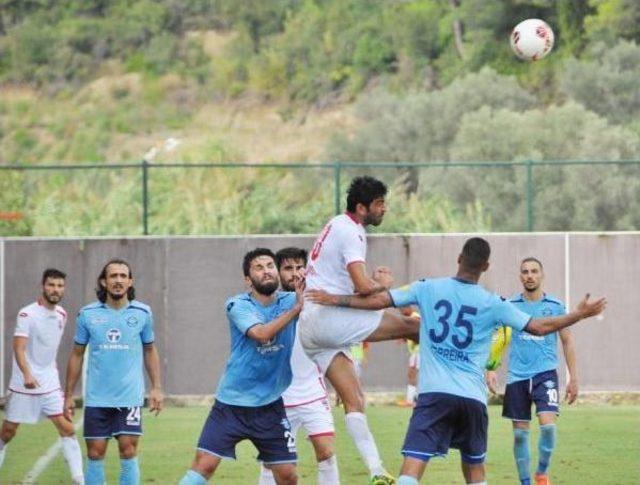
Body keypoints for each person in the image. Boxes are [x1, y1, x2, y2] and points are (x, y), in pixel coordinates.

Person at [307, 237, 606, 485]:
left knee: (412, 466)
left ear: (459, 258)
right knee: (475, 470)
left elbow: (378, 301)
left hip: (434, 396)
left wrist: (336, 300)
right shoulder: (493, 303)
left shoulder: (427, 287)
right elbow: (539, 327)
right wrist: (579, 314)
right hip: (472, 400)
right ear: (486, 267)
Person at [299, 176, 420, 485]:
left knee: (354, 400)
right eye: (380, 204)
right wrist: (383, 283)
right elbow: (363, 287)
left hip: (311, 328)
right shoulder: (352, 232)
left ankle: (377, 471)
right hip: (328, 319)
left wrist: (371, 284)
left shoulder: (336, 224)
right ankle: (439, 397)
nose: (384, 209)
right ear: (362, 207)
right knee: (413, 326)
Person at [180, 248, 302, 485]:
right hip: (231, 405)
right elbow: (261, 334)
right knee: (203, 466)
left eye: (270, 265)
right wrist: (297, 309)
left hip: (270, 406)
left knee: (288, 476)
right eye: (259, 267)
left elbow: (329, 293)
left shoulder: (292, 298)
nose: (266, 270)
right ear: (248, 280)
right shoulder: (237, 304)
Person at [64, 259, 163, 485]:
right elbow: (77, 354)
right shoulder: (87, 314)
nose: (118, 280)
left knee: (128, 450)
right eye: (113, 276)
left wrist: (156, 387)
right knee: (95, 453)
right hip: (97, 398)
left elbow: (150, 350)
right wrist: (69, 394)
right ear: (103, 281)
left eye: (122, 276)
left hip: (129, 397)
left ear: (130, 281)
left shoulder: (142, 313)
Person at [485, 257, 578, 485]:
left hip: (545, 374)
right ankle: (526, 482)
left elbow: (567, 341)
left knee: (548, 427)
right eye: (525, 272)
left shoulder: (555, 306)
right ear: (520, 277)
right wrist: (491, 367)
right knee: (519, 434)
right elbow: (499, 338)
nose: (530, 275)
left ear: (541, 275)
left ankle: (542, 473)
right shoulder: (510, 305)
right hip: (517, 376)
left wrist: (573, 378)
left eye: (534, 271)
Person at [259, 247, 339, 485]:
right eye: (287, 268)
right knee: (274, 462)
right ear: (278, 272)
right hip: (277, 399)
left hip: (313, 395)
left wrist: (342, 384)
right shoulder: (267, 306)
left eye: (298, 267)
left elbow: (331, 346)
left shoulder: (318, 302)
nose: (294, 273)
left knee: (326, 453)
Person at [0, 269, 84, 484]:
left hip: (49, 382)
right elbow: (19, 348)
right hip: (23, 384)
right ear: (42, 286)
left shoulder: (62, 315)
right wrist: (27, 374)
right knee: (8, 432)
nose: (55, 290)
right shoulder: (27, 314)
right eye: (51, 285)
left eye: (59, 286)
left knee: (66, 428)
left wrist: (63, 392)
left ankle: (78, 479)